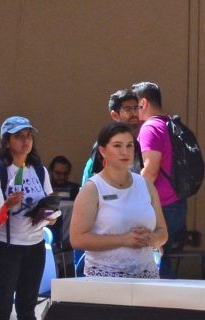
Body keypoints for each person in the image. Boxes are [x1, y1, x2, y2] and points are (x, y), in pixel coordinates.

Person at [0, 117, 55, 320]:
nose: (25, 141)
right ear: (6, 141)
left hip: (34, 245)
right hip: (4, 246)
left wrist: (48, 215)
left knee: (27, 307)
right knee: (2, 307)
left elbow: (48, 202)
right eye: (19, 136)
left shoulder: (39, 170)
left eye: (29, 136)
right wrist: (6, 205)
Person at [71, 122, 167, 279]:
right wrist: (123, 240)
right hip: (106, 278)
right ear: (103, 150)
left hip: (146, 274)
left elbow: (163, 231)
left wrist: (154, 239)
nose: (125, 152)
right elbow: (78, 239)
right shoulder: (92, 189)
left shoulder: (146, 185)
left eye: (129, 145)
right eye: (117, 146)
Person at [133, 81, 184, 278]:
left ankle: (175, 305)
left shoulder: (150, 128)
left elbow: (150, 170)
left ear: (143, 103)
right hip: (177, 203)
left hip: (161, 206)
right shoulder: (169, 123)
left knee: (157, 264)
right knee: (164, 258)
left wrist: (131, 196)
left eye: (135, 106)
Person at [81, 88, 143, 184]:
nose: (134, 113)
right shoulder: (103, 143)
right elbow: (96, 181)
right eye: (128, 109)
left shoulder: (137, 144)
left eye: (136, 108)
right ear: (114, 115)